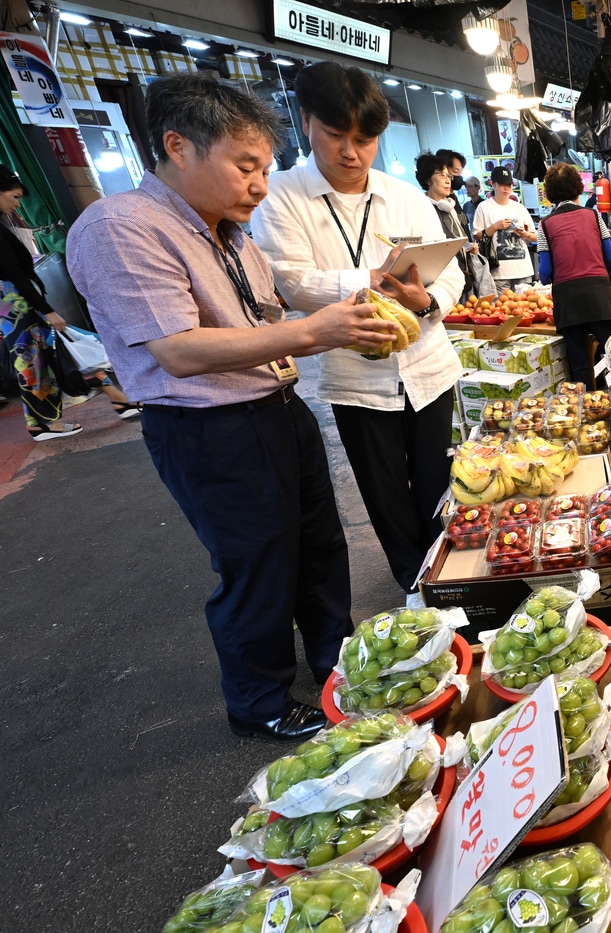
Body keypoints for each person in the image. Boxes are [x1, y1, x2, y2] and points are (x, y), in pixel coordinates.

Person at [67, 73, 398, 740]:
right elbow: (180, 349)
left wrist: (365, 297)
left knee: (320, 545)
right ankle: (260, 700)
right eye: (245, 166)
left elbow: (270, 309)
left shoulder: (228, 232)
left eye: (265, 168)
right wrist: (315, 332)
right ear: (177, 145)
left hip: (278, 406)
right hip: (208, 427)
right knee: (258, 561)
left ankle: (339, 660)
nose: (259, 184)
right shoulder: (121, 226)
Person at [251, 62, 465, 596]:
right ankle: (417, 588)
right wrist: (371, 278)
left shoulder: (405, 195)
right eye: (336, 135)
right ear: (306, 121)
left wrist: (428, 298)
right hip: (357, 379)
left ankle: (453, 577)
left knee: (440, 486)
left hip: (428, 368)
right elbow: (294, 282)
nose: (351, 152)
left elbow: (451, 269)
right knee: (385, 491)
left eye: (365, 140)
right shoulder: (280, 196)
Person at [0, 168, 137, 438]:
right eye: (14, 196)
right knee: (37, 363)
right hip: (17, 309)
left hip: (16, 308)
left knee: (61, 351)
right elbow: (15, 275)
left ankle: (118, 400)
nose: (17, 203)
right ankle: (40, 424)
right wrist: (48, 311)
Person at [537, 162, 611, 387]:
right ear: (578, 188)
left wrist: (556, 278)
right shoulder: (593, 216)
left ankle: (587, 411)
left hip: (567, 301)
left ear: (550, 193)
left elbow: (544, 273)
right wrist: (604, 281)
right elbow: (610, 258)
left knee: (579, 363)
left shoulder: (545, 225)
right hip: (599, 295)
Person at [415, 151, 482, 301]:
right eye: (441, 175)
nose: (448, 181)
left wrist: (468, 248)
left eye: (448, 176)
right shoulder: (422, 209)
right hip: (439, 283)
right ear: (427, 180)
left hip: (462, 278)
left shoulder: (449, 206)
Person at [472, 166, 536, 290]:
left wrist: (524, 234)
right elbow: (476, 235)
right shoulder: (484, 207)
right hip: (499, 273)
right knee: (502, 308)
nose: (506, 188)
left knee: (525, 307)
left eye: (509, 184)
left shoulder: (519, 208)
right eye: (502, 184)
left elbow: (535, 236)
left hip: (523, 270)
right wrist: (495, 227)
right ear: (492, 184)